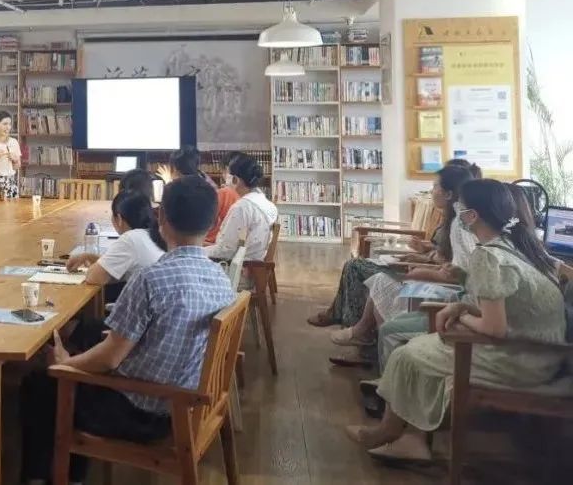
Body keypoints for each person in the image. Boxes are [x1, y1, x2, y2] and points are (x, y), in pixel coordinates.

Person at [20, 175, 237, 484]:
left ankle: (41, 478)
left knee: (42, 383)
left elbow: (109, 359)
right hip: (187, 404)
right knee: (77, 362)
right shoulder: (221, 279)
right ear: (214, 221)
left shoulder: (151, 279)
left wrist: (65, 363)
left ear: (161, 218)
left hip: (143, 412)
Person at [347, 179, 567, 462]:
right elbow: (509, 309)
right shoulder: (517, 246)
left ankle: (390, 432)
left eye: (461, 207)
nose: (457, 213)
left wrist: (461, 314)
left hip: (518, 361)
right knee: (418, 350)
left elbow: (494, 328)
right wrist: (463, 304)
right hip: (541, 356)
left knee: (406, 354)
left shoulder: (488, 256)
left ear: (472, 215)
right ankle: (411, 438)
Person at [308, 162, 475, 328]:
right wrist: (425, 253)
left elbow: (451, 265)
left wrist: (424, 260)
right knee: (354, 265)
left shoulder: (458, 226)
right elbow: (444, 255)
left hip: (423, 275)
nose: (431, 191)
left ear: (448, 194)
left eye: (435, 186)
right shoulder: (451, 220)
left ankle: (350, 324)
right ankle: (341, 317)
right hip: (421, 267)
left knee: (355, 266)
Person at [65, 191, 167, 300]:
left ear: (119, 219)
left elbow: (93, 277)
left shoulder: (130, 239)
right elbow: (118, 266)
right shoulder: (154, 234)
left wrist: (93, 265)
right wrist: (88, 257)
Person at [205, 153, 278, 261]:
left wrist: (199, 250)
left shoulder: (241, 207)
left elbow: (225, 251)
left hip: (240, 265)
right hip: (254, 260)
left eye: (227, 173)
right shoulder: (265, 202)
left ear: (235, 179)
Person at [207, 151, 242, 243]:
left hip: (215, 243)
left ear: (227, 169)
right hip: (239, 243)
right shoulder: (250, 194)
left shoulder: (224, 193)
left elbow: (206, 222)